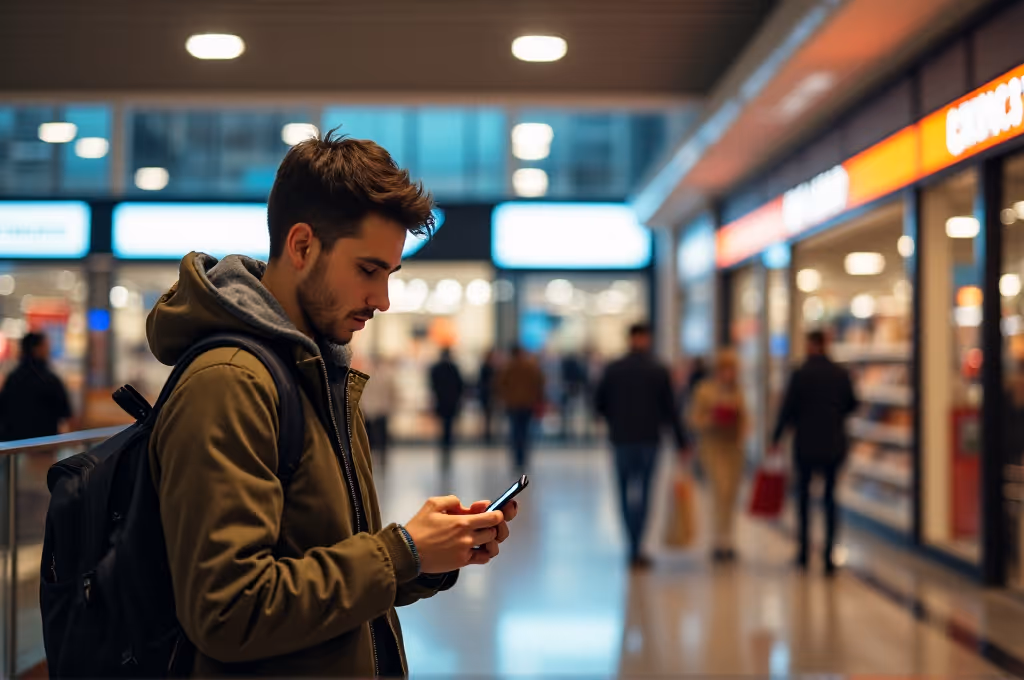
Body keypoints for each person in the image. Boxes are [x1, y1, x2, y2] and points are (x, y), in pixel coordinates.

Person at [145, 131, 519, 677]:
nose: (382, 300)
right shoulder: (230, 382)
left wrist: (427, 556)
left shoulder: (317, 371)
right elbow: (229, 611)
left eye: (389, 275)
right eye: (368, 270)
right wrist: (402, 551)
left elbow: (323, 561)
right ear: (302, 246)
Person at [595, 323, 689, 568]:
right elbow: (670, 410)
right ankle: (638, 546)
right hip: (649, 439)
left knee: (624, 492)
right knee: (645, 493)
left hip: (622, 439)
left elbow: (599, 404)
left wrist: (615, 419)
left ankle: (632, 543)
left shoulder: (614, 369)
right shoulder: (658, 370)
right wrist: (682, 442)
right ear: (647, 338)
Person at [771, 330, 857, 575]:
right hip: (834, 444)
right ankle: (829, 555)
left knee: (804, 499)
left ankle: (804, 553)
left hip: (806, 444)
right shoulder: (840, 374)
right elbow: (853, 404)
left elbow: (787, 410)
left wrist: (776, 438)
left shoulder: (800, 374)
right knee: (830, 498)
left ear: (810, 345)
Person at [690, 348, 748, 563]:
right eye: (726, 369)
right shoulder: (705, 390)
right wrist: (712, 419)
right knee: (719, 492)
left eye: (733, 369)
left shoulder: (737, 391)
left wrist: (742, 426)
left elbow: (745, 417)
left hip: (733, 448)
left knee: (731, 495)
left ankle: (728, 539)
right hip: (713, 448)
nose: (729, 374)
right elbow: (694, 419)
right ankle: (717, 540)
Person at [0, 332, 72, 441]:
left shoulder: (13, 378)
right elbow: (66, 413)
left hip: (14, 443)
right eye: (46, 346)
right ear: (37, 349)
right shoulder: (49, 379)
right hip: (43, 442)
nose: (48, 350)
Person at [496, 345, 545, 471]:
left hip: (513, 404)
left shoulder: (508, 367)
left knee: (515, 431)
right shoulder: (530, 367)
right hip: (527, 403)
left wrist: (506, 397)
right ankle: (523, 459)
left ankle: (517, 459)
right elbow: (539, 382)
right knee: (525, 431)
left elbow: (500, 384)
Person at [429, 348, 465, 472]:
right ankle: (447, 443)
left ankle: (445, 443)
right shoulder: (453, 368)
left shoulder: (437, 368)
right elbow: (460, 385)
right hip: (450, 401)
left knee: (445, 424)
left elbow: (432, 384)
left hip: (442, 401)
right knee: (448, 424)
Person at [361, 354, 398, 471]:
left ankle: (370, 460)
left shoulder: (365, 375)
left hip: (369, 410)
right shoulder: (387, 376)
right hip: (381, 410)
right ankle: (381, 461)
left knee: (369, 439)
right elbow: (393, 394)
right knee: (381, 439)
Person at [476, 349, 499, 445]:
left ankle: (488, 434)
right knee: (487, 416)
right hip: (487, 395)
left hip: (489, 395)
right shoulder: (487, 368)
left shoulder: (489, 367)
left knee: (489, 416)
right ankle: (487, 434)